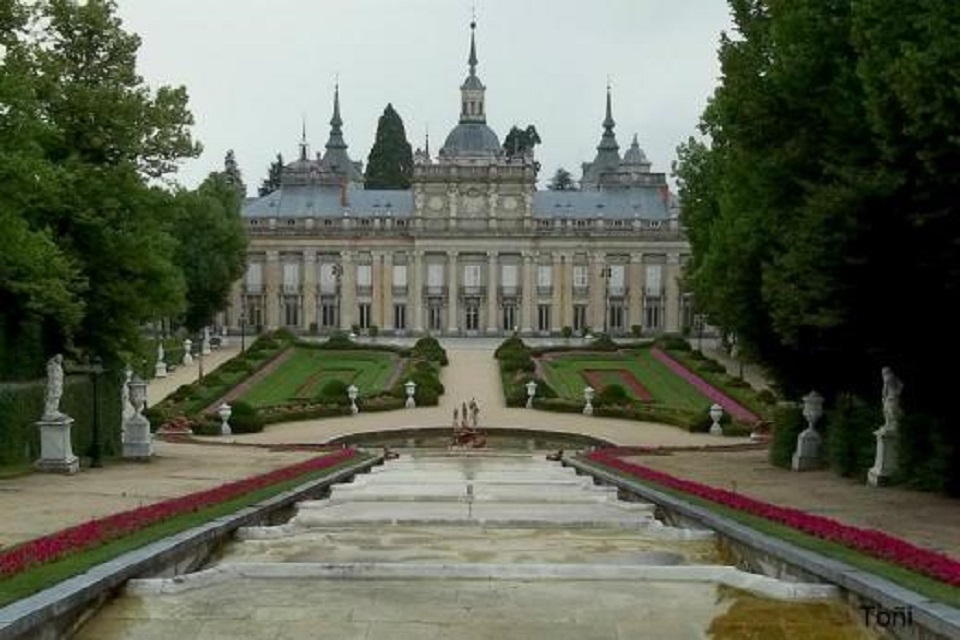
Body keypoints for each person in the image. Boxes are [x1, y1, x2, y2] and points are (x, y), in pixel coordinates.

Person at [43, 354, 65, 420]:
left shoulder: (59, 366)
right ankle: (49, 412)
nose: (61, 360)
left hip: (58, 384)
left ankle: (54, 410)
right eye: (59, 358)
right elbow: (52, 375)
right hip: (53, 385)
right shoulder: (52, 365)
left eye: (61, 358)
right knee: (52, 397)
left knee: (57, 397)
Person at [881, 366, 903, 431]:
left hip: (891, 396)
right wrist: (897, 392)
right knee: (888, 410)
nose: (882, 373)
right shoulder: (893, 377)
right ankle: (889, 424)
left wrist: (884, 397)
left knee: (888, 410)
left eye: (883, 372)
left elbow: (884, 389)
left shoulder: (888, 377)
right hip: (892, 396)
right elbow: (901, 385)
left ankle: (890, 424)